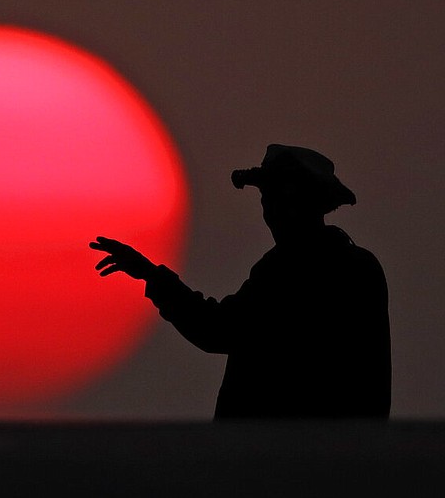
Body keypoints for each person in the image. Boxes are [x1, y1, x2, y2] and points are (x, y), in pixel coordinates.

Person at [90, 144, 391, 419]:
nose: (268, 209)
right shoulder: (358, 266)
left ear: (295, 203)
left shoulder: (288, 270)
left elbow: (218, 330)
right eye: (266, 197)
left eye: (274, 197)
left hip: (282, 460)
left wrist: (151, 275)